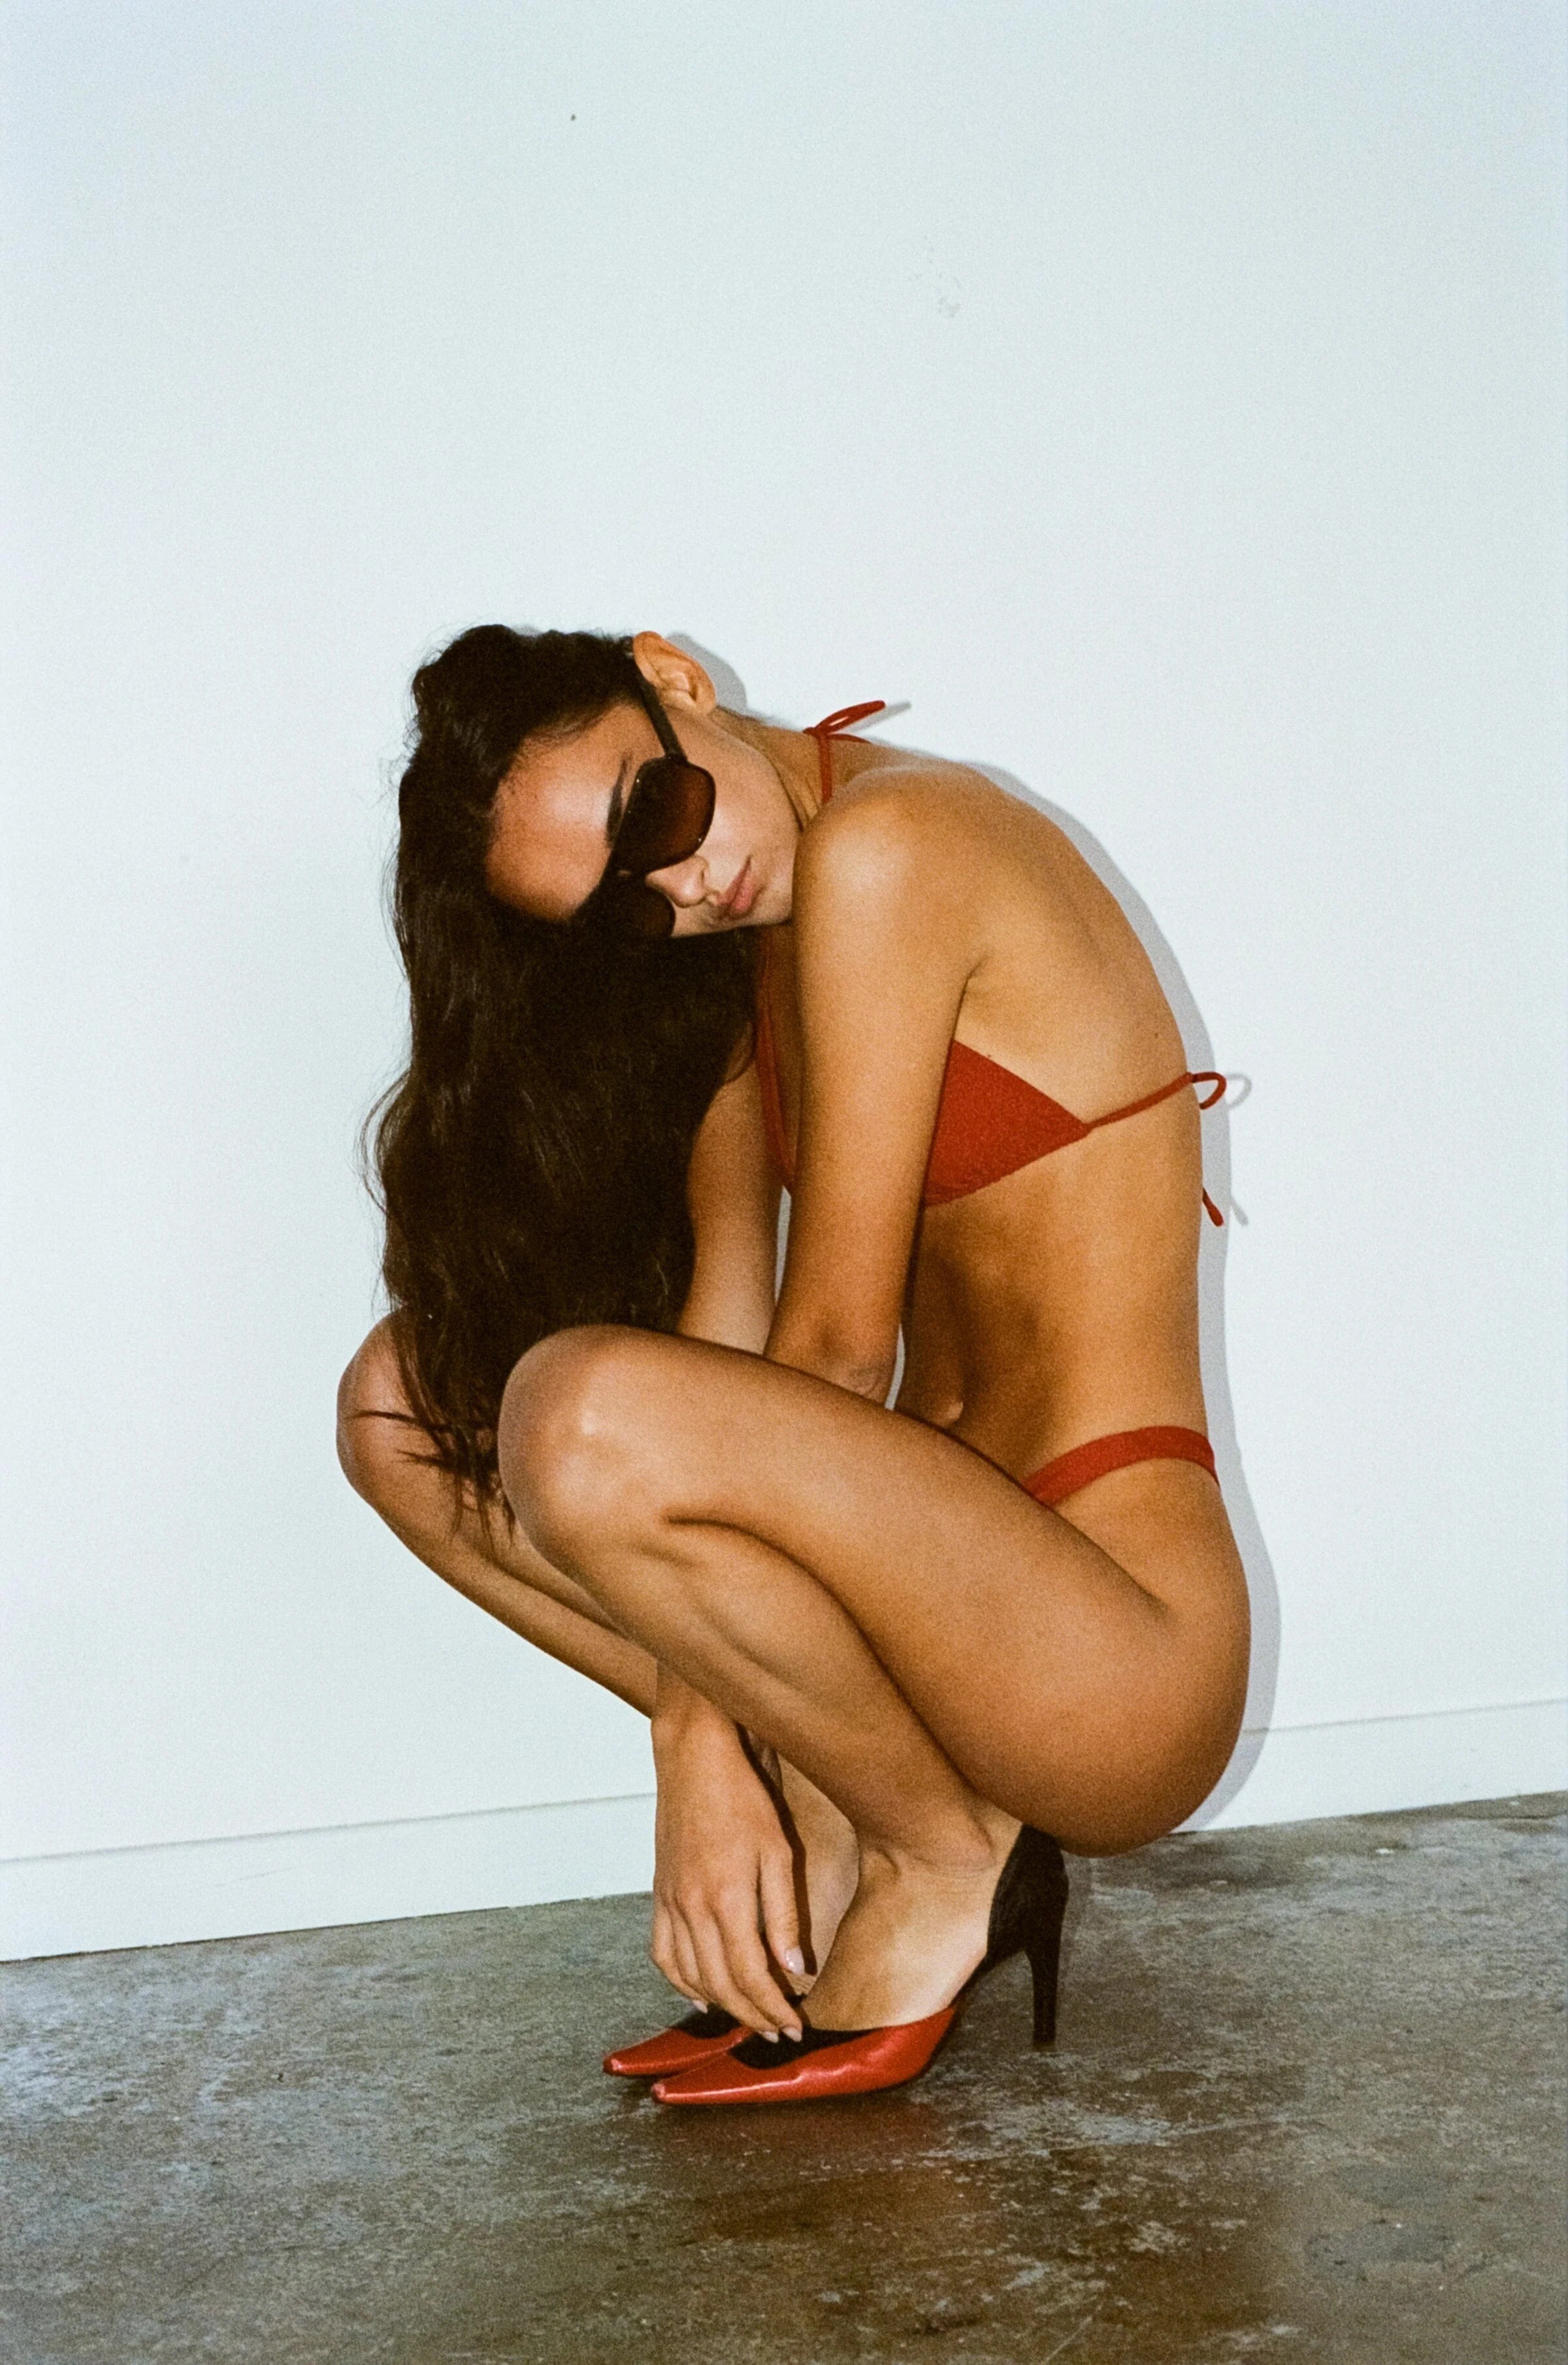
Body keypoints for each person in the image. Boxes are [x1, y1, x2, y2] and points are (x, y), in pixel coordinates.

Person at [337, 625, 1250, 2106]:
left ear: (673, 678)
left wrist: (701, 1732)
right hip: (922, 1623)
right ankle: (854, 1817)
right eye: (620, 907)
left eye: (653, 812)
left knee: (576, 1410)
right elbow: (733, 1340)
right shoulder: (745, 960)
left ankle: (939, 1858)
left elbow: (836, 1345)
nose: (682, 887)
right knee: (404, 1403)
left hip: (1107, 1649)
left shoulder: (900, 845)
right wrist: (695, 1726)